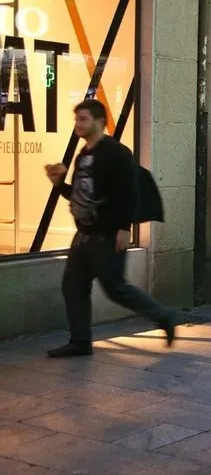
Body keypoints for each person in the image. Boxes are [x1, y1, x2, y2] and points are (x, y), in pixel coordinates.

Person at [45, 100, 179, 358]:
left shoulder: (116, 153)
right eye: (76, 119)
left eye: (83, 119)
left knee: (115, 287)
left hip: (106, 236)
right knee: (73, 286)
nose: (77, 124)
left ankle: (164, 316)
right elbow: (81, 196)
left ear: (99, 121)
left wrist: (124, 228)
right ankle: (80, 341)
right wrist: (59, 183)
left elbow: (129, 193)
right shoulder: (83, 156)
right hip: (83, 236)